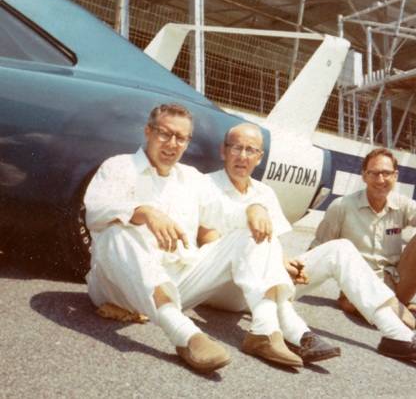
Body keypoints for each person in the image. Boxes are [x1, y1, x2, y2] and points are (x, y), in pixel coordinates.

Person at [84, 104, 337, 373]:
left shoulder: (190, 179)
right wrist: (142, 211)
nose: (172, 144)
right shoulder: (120, 166)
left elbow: (227, 216)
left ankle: (264, 332)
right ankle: (186, 335)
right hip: (119, 287)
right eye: (164, 134)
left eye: (181, 138)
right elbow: (96, 211)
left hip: (179, 282)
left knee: (250, 234)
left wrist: (254, 209)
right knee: (116, 231)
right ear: (148, 131)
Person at [201, 123, 416, 364]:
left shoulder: (265, 193)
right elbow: (208, 242)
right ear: (224, 151)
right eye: (237, 148)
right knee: (261, 262)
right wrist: (271, 264)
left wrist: (285, 263)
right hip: (224, 288)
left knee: (341, 249)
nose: (243, 156)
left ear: (259, 157)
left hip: (266, 282)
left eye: (250, 150)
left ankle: (396, 335)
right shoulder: (207, 186)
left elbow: (273, 243)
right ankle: (297, 335)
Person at [311, 147, 416, 346]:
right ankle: (415, 313)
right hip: (359, 289)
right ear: (364, 176)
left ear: (395, 176)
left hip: (396, 283)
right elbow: (318, 250)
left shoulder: (400, 203)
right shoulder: (341, 207)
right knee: (407, 322)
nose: (380, 179)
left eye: (386, 173)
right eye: (374, 173)